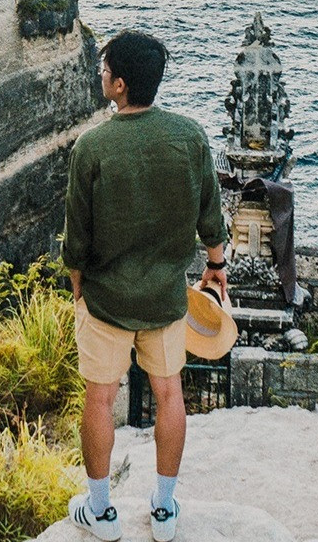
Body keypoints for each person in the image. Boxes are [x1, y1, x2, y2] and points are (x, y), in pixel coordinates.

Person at [61, 30, 229, 542]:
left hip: (107, 299)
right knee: (168, 392)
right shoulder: (189, 136)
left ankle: (101, 512)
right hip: (165, 296)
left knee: (99, 398)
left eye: (105, 67)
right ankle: (163, 509)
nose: (101, 73)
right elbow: (210, 214)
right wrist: (216, 265)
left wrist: (78, 290)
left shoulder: (92, 147)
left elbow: (77, 243)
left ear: (120, 84)